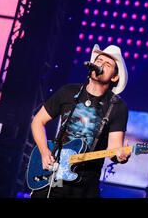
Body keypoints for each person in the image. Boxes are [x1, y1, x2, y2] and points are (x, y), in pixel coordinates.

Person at [30, 44, 130, 198]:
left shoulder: (117, 106)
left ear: (114, 77)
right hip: (55, 175)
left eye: (107, 64)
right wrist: (44, 151)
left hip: (86, 184)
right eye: (99, 60)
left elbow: (114, 149)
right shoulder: (68, 92)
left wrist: (120, 156)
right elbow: (38, 121)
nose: (101, 64)